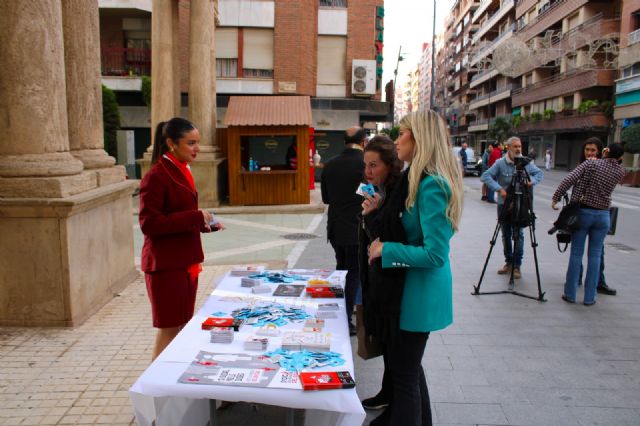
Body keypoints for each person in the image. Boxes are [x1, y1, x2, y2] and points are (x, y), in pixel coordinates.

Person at [367, 110, 464, 426]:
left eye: (402, 133)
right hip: (409, 291)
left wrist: (387, 249)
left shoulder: (431, 184)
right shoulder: (416, 179)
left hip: (419, 294)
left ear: (419, 137)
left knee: (405, 374)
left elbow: (435, 254)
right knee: (406, 368)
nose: (396, 140)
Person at [139, 117, 224, 360]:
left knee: (181, 325)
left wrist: (206, 223)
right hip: (166, 265)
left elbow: (180, 216)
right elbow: (149, 223)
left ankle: (171, 380)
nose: (197, 148)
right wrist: (195, 216)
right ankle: (156, 387)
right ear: (171, 144)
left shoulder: (181, 169)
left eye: (197, 142)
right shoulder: (156, 175)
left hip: (184, 261)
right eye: (191, 143)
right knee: (169, 328)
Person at [357, 136, 404, 412]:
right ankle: (388, 393)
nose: (368, 172)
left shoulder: (397, 192)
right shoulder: (375, 189)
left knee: (400, 356)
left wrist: (372, 216)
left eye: (374, 165)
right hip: (375, 277)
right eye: (366, 165)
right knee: (388, 347)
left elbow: (388, 240)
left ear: (390, 164)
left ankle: (396, 403)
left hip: (391, 282)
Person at [552, 143, 626, 306]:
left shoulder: (591, 163)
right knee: (595, 256)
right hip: (603, 215)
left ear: (605, 151)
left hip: (584, 213)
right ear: (620, 157)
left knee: (576, 253)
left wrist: (556, 197)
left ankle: (570, 294)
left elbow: (569, 179)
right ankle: (589, 297)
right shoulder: (620, 171)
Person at [321, 126, 367, 336]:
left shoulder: (330, 164)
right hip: (358, 228)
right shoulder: (366, 165)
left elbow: (326, 199)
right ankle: (345, 319)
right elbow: (371, 196)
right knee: (354, 274)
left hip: (337, 228)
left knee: (342, 270)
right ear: (364, 141)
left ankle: (342, 314)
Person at [481, 137, 543, 279]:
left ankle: (517, 265)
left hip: (521, 204)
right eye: (515, 146)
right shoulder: (500, 163)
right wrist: (499, 189)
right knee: (505, 234)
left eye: (519, 146)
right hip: (504, 204)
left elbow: (539, 174)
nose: (518, 149)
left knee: (519, 235)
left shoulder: (525, 163)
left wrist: (530, 182)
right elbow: (486, 176)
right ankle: (508, 262)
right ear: (508, 148)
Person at [575, 138, 615, 294]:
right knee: (577, 250)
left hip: (599, 213)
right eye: (587, 150)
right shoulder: (582, 166)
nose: (590, 153)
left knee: (598, 251)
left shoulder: (604, 167)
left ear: (599, 151)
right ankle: (576, 277)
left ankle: (599, 281)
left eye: (593, 150)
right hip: (582, 211)